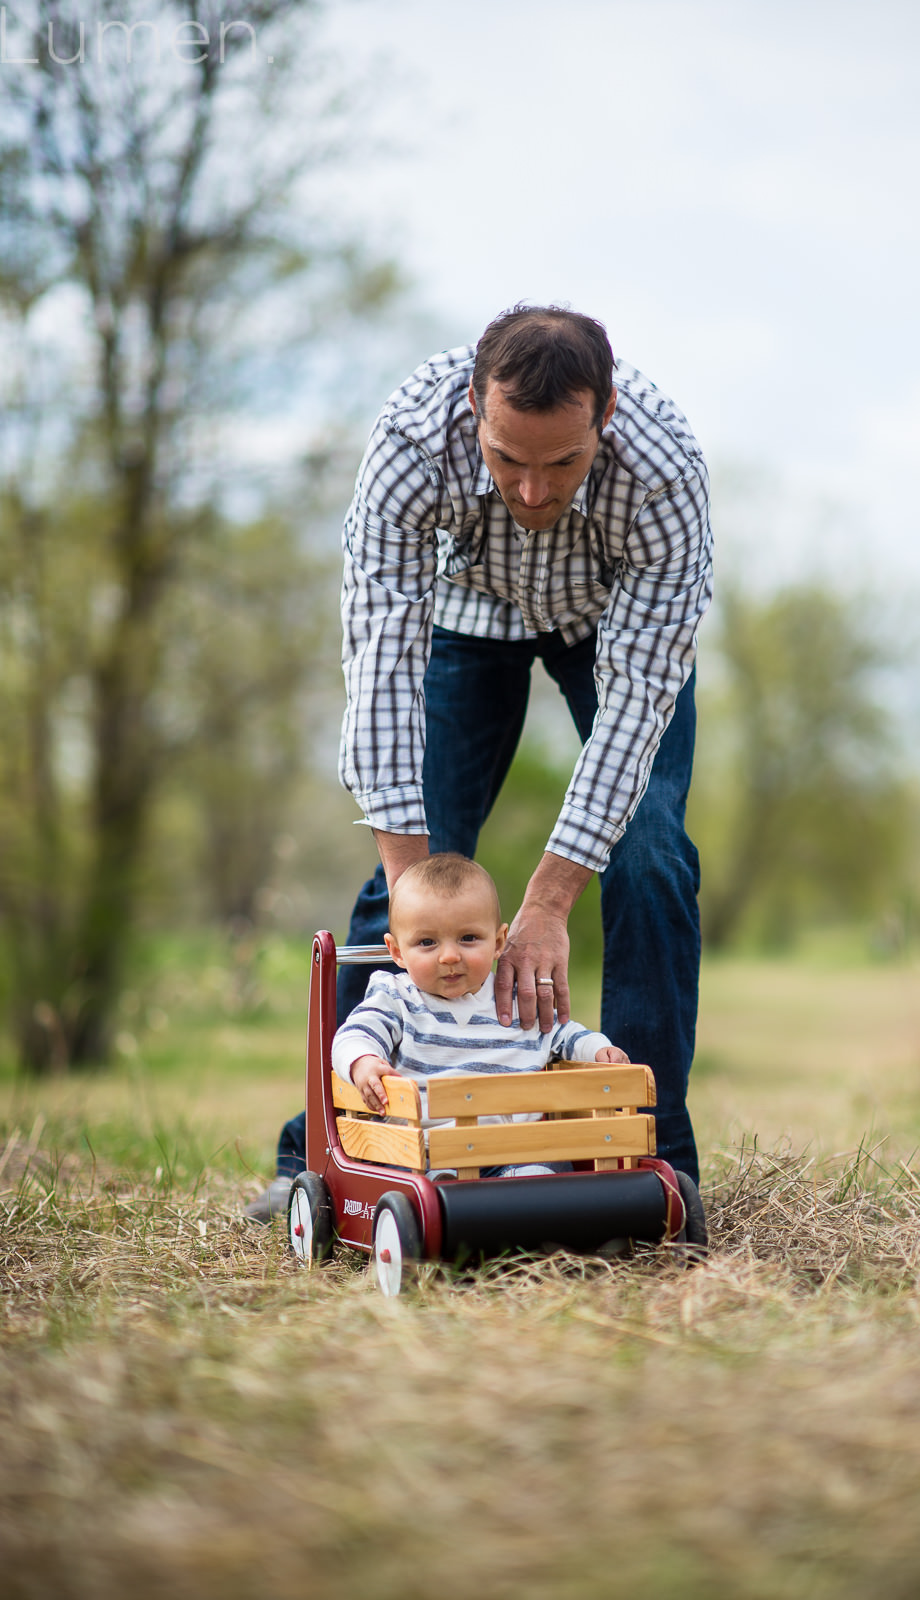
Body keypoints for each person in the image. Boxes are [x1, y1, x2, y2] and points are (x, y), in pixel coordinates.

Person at [247, 304, 712, 1222]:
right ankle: (333, 1150)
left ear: (605, 417)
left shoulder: (666, 472)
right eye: (507, 461)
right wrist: (416, 880)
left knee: (653, 855)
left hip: (607, 631)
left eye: (562, 464)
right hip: (463, 623)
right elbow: (379, 659)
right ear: (473, 412)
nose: (533, 494)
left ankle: (646, 1157)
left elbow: (635, 707)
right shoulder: (411, 440)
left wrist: (545, 905)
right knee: (411, 890)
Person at [334, 852, 628, 1178]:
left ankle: (535, 1210)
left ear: (499, 941)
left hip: (515, 1150)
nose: (449, 956)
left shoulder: (517, 1000)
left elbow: (565, 1033)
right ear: (397, 952)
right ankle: (452, 1207)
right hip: (431, 1153)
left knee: (541, 1172)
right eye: (427, 942)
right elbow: (354, 1034)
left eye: (468, 938)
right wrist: (363, 1061)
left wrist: (598, 1049)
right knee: (437, 1183)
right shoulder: (396, 998)